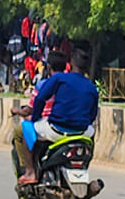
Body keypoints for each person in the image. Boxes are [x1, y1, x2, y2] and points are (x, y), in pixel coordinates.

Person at [12, 48, 98, 184]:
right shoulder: (91, 87)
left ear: (71, 63)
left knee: (25, 129)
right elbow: (92, 115)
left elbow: (40, 99)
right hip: (81, 132)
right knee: (92, 133)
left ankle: (30, 172)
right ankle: (84, 166)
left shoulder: (59, 79)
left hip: (56, 130)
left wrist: (35, 119)